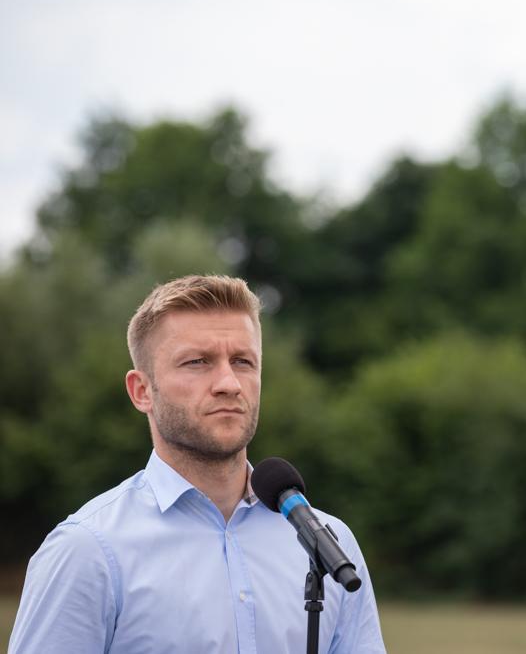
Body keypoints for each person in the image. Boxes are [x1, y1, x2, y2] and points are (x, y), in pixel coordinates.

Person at [10, 275, 385, 653]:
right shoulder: (87, 551)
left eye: (242, 361)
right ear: (142, 391)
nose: (228, 383)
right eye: (197, 362)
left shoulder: (329, 546)